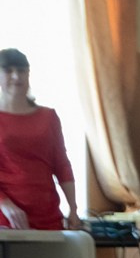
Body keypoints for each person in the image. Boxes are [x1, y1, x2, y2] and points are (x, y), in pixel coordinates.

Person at [0, 48, 81, 231]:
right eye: (8, 70)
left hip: (47, 215)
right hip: (6, 218)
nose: (16, 76)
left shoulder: (48, 117)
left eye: (21, 70)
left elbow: (61, 164)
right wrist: (4, 203)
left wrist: (73, 209)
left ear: (28, 74)